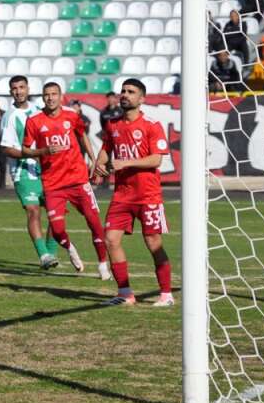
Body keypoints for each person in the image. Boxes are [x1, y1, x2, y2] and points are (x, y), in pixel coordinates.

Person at [91, 78, 173, 307]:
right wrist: (99, 167)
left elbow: (156, 159)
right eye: (123, 91)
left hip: (148, 195)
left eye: (131, 91)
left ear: (142, 99)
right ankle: (125, 293)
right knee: (111, 239)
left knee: (153, 243)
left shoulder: (152, 125)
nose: (125, 94)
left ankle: (166, 294)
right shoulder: (113, 124)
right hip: (122, 195)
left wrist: (125, 164)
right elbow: (107, 149)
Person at [21, 82, 110, 279]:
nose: (50, 98)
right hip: (53, 184)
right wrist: (43, 151)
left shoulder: (71, 115)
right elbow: (25, 149)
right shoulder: (34, 120)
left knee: (94, 223)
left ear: (61, 96)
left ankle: (103, 264)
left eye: (54, 94)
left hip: (78, 180)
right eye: (46, 94)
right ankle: (69, 248)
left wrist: (93, 161)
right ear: (42, 97)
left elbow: (83, 135)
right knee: (58, 231)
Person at [0, 75, 60, 269]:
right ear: (11, 92)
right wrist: (36, 153)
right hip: (23, 171)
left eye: (22, 87)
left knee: (56, 214)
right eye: (14, 88)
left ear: (28, 89)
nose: (18, 91)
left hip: (47, 170)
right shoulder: (10, 117)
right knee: (33, 211)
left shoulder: (39, 111)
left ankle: (51, 252)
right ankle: (43, 255)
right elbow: (7, 148)